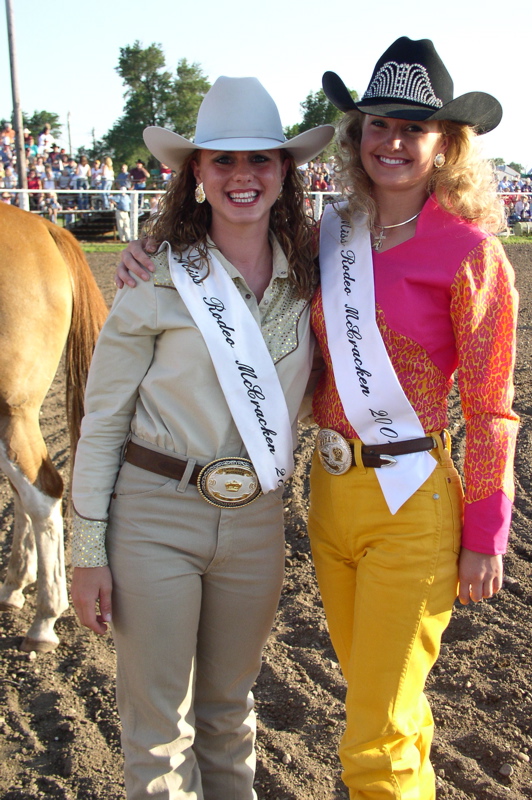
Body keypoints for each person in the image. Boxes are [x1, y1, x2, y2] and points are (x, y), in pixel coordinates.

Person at [70, 76, 333, 800]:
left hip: (256, 522)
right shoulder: (154, 274)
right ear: (195, 174)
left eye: (260, 160)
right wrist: (86, 550)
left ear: (285, 171)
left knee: (231, 717)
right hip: (155, 516)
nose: (242, 176)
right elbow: (103, 420)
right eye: (222, 161)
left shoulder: (313, 272)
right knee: (157, 735)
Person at [304, 37, 518, 799]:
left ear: (446, 144)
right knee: (390, 709)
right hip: (328, 498)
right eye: (376, 125)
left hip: (413, 506)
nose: (391, 142)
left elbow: (491, 407)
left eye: (413, 128)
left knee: (374, 735)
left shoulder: (470, 254)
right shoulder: (327, 238)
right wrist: (148, 251)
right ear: (356, 137)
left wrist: (484, 533)